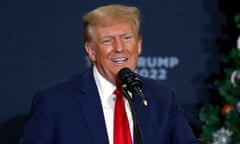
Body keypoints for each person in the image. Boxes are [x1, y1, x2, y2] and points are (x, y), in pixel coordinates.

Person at [19, 4, 203, 144]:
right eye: (108, 40)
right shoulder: (55, 102)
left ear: (138, 45)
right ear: (91, 51)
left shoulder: (161, 97)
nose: (119, 48)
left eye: (126, 38)